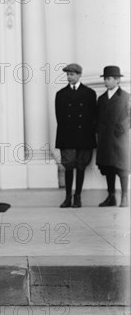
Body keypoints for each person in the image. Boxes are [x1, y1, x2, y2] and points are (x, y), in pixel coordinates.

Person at [54, 63, 97, 208]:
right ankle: (67, 197)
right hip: (67, 136)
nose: (69, 77)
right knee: (68, 166)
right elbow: (59, 117)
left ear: (79, 75)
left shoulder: (90, 93)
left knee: (81, 166)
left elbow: (93, 116)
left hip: (84, 135)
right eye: (67, 74)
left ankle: (77, 196)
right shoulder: (61, 94)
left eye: (72, 74)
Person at [96, 65, 129, 208]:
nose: (106, 81)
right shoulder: (102, 98)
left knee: (122, 168)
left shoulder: (126, 97)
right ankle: (111, 196)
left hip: (119, 139)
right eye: (105, 78)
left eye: (109, 79)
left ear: (117, 80)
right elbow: (97, 117)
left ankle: (125, 197)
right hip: (105, 139)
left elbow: (130, 115)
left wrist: (122, 128)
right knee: (108, 167)